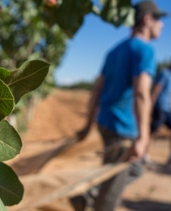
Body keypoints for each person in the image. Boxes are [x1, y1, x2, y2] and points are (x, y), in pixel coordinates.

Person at [70, 1, 167, 211]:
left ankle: (88, 195)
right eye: (159, 20)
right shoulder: (145, 51)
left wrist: (88, 124)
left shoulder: (114, 51)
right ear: (147, 20)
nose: (163, 25)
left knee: (133, 171)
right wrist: (143, 136)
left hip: (105, 122)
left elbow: (96, 89)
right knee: (111, 195)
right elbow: (141, 93)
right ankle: (94, 200)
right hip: (123, 129)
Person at [149, 63, 171, 166]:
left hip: (168, 109)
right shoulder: (164, 73)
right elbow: (157, 88)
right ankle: (143, 154)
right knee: (152, 131)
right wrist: (150, 104)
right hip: (160, 107)